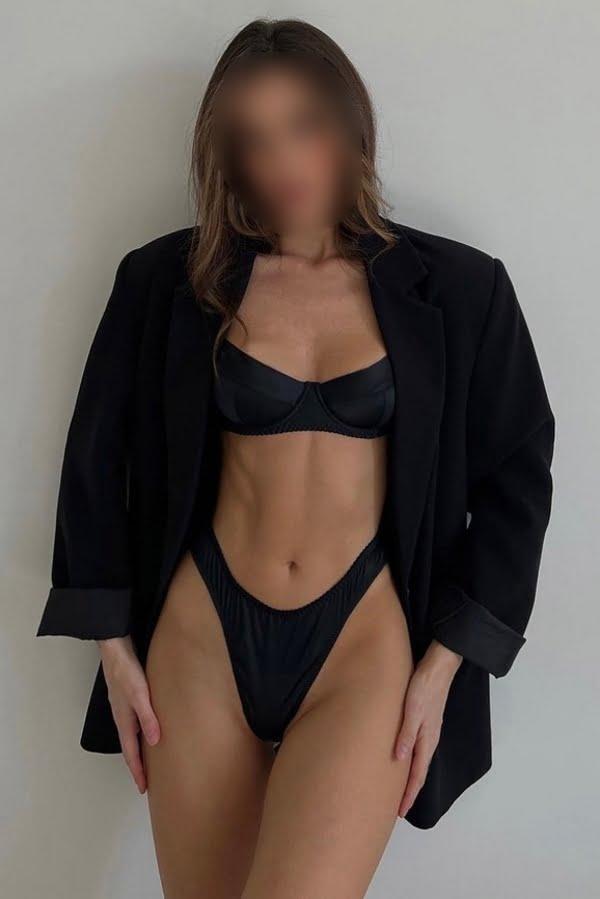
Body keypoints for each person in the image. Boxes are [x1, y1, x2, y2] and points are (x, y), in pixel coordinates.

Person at [36, 17, 555, 899]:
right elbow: (95, 456)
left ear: (350, 121)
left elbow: (519, 476)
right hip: (201, 632)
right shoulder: (168, 281)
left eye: (303, 125)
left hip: (363, 642)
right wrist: (114, 649)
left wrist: (445, 663)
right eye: (253, 136)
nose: (282, 159)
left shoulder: (463, 289)